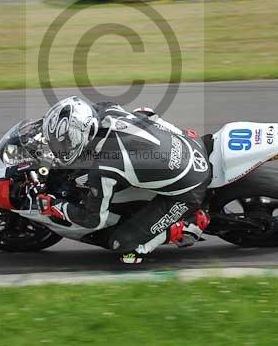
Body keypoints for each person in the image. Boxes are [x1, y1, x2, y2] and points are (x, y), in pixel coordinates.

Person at [35, 96, 211, 264]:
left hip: (189, 188)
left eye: (63, 143)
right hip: (190, 143)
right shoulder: (105, 109)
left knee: (123, 244)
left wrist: (54, 206)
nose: (58, 149)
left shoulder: (104, 168)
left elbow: (93, 220)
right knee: (142, 114)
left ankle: (188, 226)